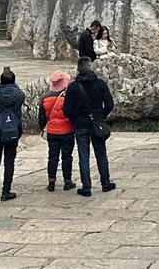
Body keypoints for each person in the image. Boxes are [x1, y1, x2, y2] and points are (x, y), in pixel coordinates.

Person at [62, 57, 115, 196]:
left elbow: (66, 109)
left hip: (80, 124)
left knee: (83, 155)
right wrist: (100, 117)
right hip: (96, 122)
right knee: (101, 154)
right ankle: (106, 183)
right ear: (90, 68)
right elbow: (109, 104)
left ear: (78, 69)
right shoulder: (100, 83)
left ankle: (86, 187)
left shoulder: (73, 86)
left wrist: (76, 119)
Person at [0, 67, 26, 201]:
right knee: (9, 162)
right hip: (13, 131)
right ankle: (5, 192)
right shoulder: (19, 95)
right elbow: (18, 89)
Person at [38, 70, 75, 192]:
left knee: (52, 156)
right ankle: (67, 181)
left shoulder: (45, 98)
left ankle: (51, 182)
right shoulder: (68, 96)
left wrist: (43, 128)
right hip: (67, 130)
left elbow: (42, 118)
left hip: (52, 132)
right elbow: (72, 114)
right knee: (66, 156)